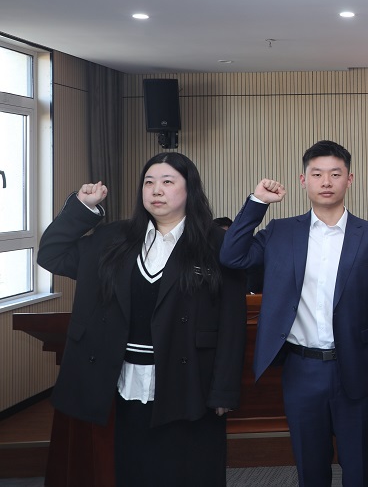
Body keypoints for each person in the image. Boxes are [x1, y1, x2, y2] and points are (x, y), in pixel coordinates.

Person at [37, 153, 246, 487]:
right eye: (149, 182)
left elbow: (232, 322)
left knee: (191, 470)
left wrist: (224, 390)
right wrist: (83, 208)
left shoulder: (216, 243)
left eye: (167, 182)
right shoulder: (114, 238)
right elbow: (52, 254)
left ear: (189, 189)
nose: (156, 190)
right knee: (134, 468)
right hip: (128, 379)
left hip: (191, 381)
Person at [219, 140, 368, 487]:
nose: (326, 182)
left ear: (350, 179)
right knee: (310, 469)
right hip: (301, 369)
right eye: (317, 174)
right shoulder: (281, 232)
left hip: (356, 368)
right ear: (303, 181)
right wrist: (257, 203)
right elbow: (232, 256)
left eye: (335, 174)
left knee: (358, 468)